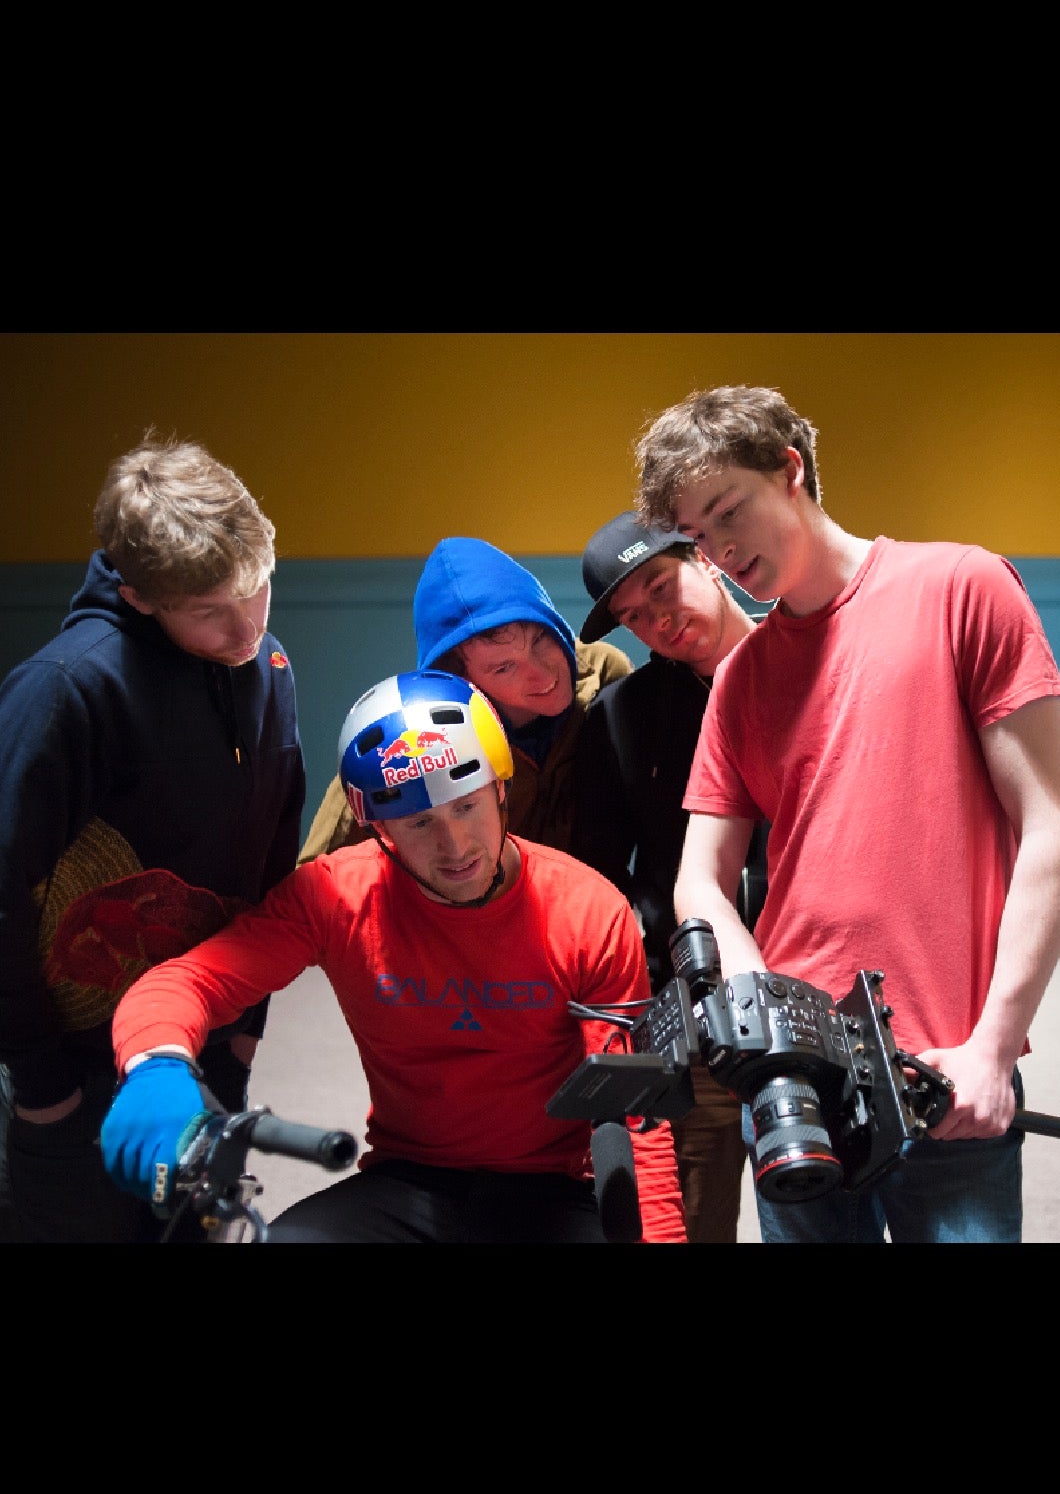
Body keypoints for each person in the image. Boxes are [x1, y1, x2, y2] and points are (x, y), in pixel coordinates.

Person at [637, 386, 1060, 1244]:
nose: (721, 550)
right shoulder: (740, 680)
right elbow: (700, 879)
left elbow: (1053, 829)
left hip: (944, 1068)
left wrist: (996, 1045)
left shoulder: (962, 587)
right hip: (794, 1081)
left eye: (729, 510)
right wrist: (757, 1010)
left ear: (790, 470)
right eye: (699, 535)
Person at [99, 671, 685, 1242]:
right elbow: (190, 981)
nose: (455, 847)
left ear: (501, 789)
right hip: (411, 1179)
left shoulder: (588, 909)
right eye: (420, 822)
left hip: (554, 1192)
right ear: (378, 828)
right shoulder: (335, 895)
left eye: (466, 806)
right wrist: (156, 1063)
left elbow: (634, 1115)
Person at [0, 438, 303, 1243]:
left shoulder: (268, 664)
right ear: (137, 596)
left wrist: (245, 1032)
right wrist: (42, 1082)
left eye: (258, 587)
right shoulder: (66, 689)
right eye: (208, 611)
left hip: (208, 1041)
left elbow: (271, 858)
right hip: (75, 1069)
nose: (246, 625)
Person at [566, 510, 764, 1243]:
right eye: (633, 616)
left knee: (826, 1204)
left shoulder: (812, 668)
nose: (658, 621)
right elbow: (600, 873)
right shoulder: (622, 715)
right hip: (699, 1006)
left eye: (660, 587)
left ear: (704, 560)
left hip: (826, 986)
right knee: (693, 1219)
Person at [297, 538, 633, 864]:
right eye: (503, 668)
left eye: (541, 640)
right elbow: (318, 879)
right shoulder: (405, 740)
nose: (542, 675)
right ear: (462, 678)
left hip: (589, 895)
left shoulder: (604, 674)